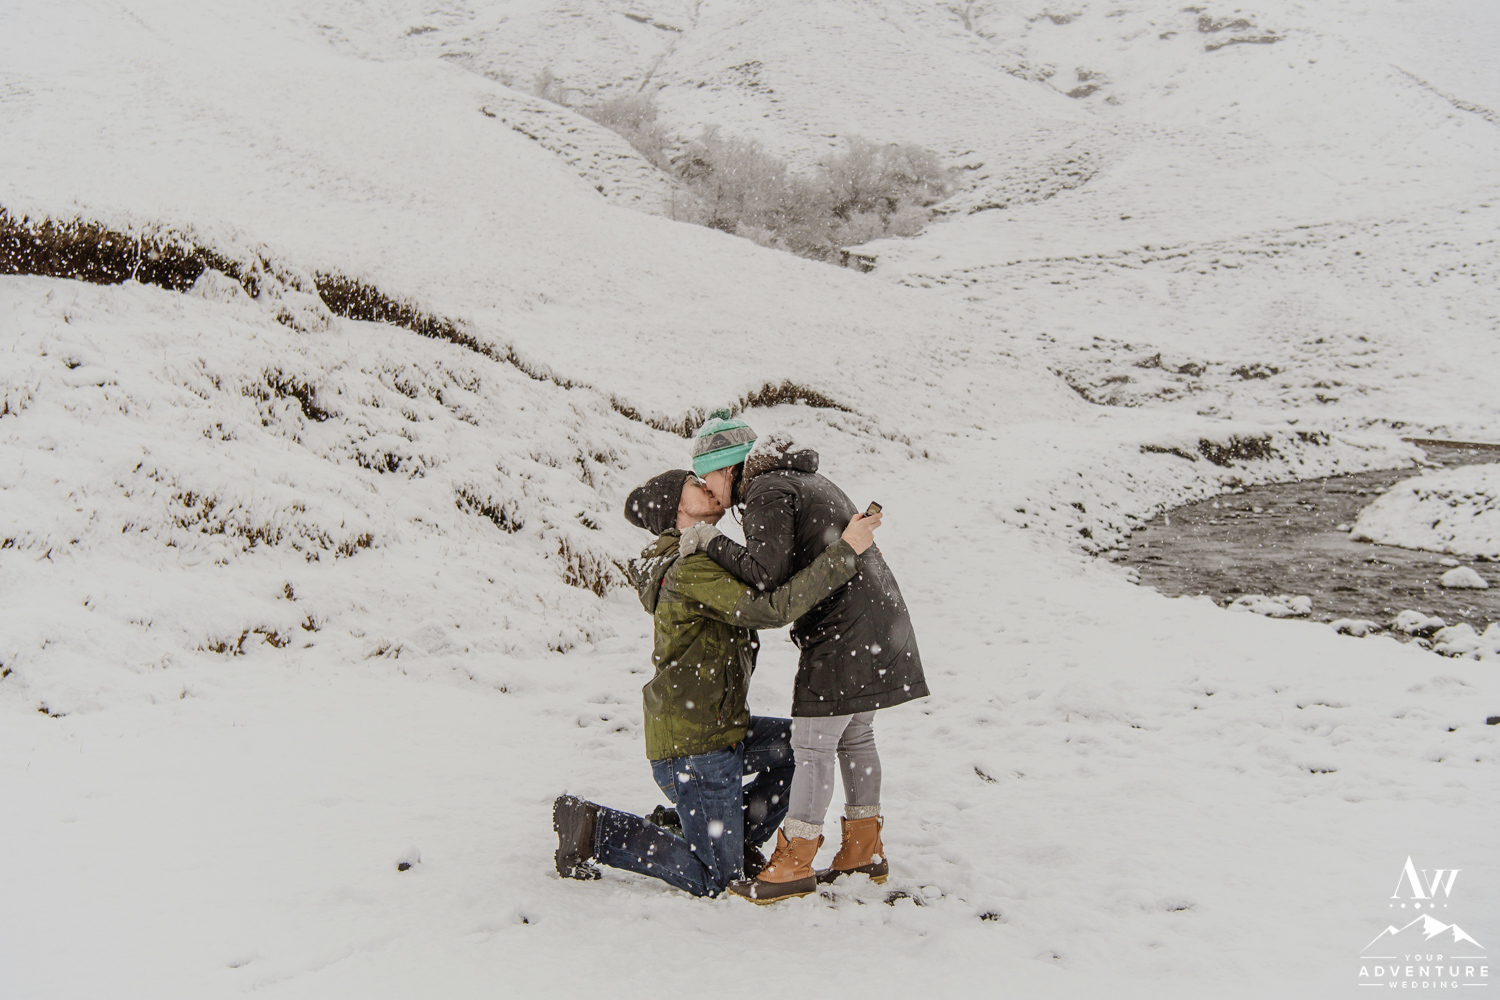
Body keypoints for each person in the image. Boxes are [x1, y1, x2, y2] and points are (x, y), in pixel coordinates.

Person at [552, 468, 881, 899]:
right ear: (675, 507)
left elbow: (770, 578)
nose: (707, 485)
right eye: (694, 483)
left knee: (799, 749)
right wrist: (844, 552)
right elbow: (771, 609)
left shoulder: (706, 556)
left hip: (722, 727)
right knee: (717, 880)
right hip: (693, 746)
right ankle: (594, 831)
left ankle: (710, 830)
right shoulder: (688, 570)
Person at [681, 410, 929, 903]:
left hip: (842, 631)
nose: (709, 490)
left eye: (709, 477)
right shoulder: (799, 477)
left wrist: (708, 541)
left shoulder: (768, 491)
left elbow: (764, 574)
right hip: (878, 618)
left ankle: (795, 859)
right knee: (856, 736)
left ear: (729, 467)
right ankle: (863, 848)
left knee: (813, 747)